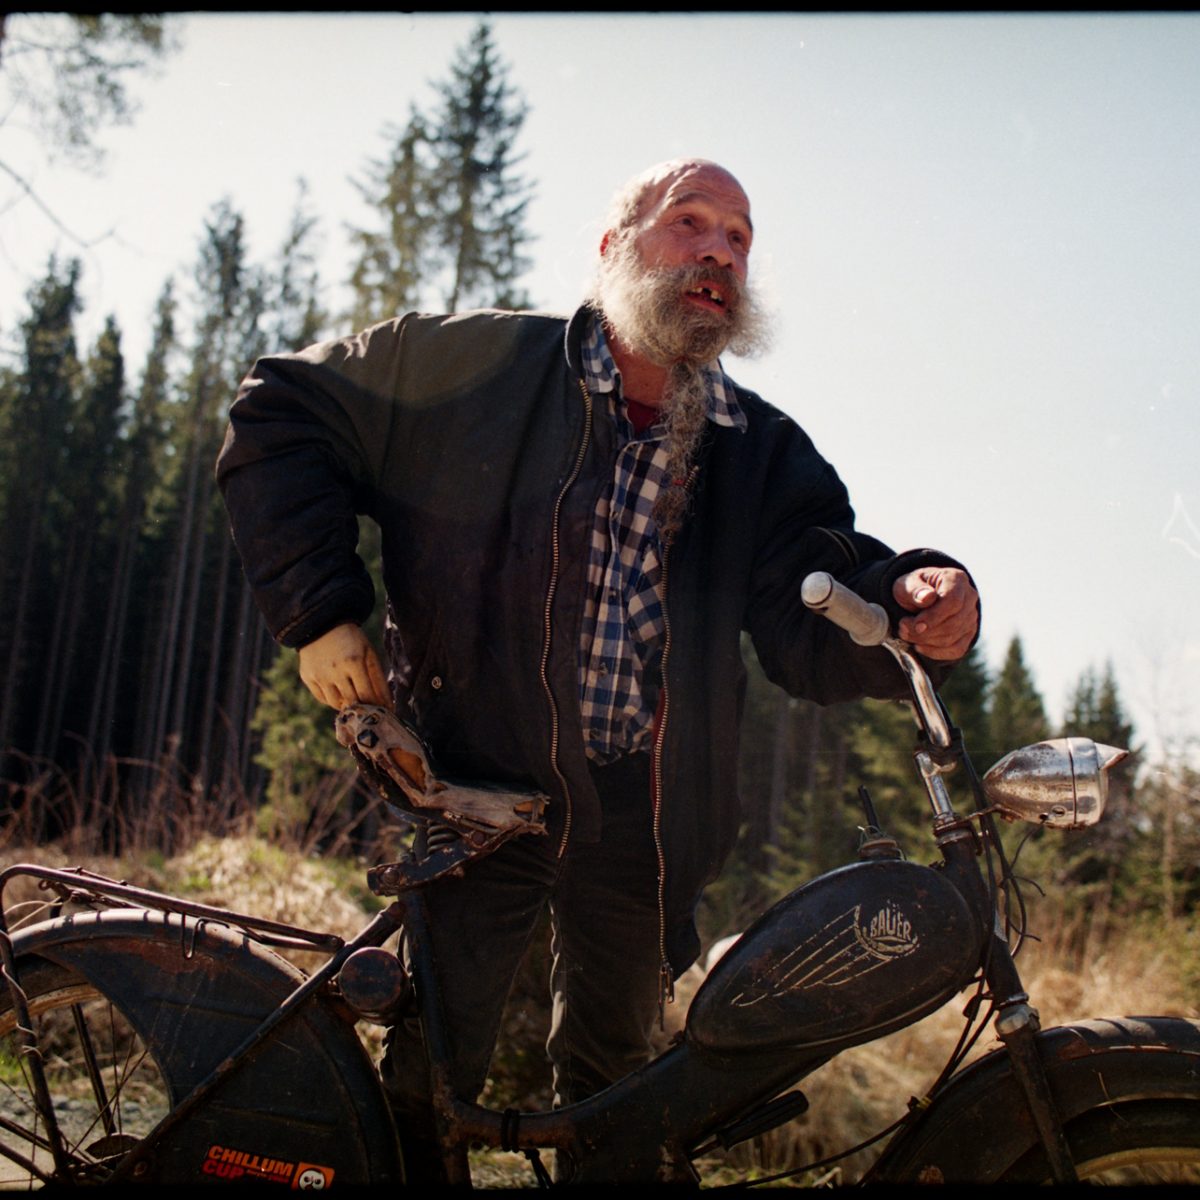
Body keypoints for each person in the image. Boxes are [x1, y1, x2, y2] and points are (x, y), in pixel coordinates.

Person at [216, 157, 979, 1181]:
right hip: (474, 782)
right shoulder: (481, 367)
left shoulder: (758, 450)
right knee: (431, 1071)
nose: (719, 251)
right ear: (614, 249)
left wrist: (917, 601)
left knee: (618, 1088)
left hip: (642, 820)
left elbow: (817, 606)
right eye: (691, 222)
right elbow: (281, 410)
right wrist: (320, 612)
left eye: (741, 239)